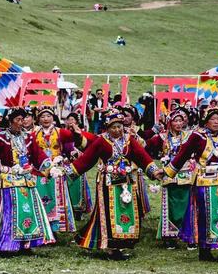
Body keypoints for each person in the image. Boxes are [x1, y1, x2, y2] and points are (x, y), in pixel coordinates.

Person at [156, 108, 218, 262]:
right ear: (206, 121)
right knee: (206, 216)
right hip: (204, 184)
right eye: (213, 119)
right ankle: (205, 252)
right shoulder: (197, 137)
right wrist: (166, 171)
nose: (216, 122)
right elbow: (182, 155)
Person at [66, 110, 158, 260]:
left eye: (119, 126)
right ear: (107, 128)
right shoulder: (102, 141)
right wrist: (68, 172)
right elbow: (87, 159)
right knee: (109, 214)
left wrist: (154, 171)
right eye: (113, 127)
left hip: (126, 183)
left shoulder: (129, 140)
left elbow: (142, 156)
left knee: (125, 212)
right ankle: (111, 247)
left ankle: (121, 244)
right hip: (107, 183)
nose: (117, 130)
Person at [0, 108, 56, 254]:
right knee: (9, 213)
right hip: (9, 180)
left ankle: (26, 244)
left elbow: (38, 155)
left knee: (29, 212)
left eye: (23, 119)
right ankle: (6, 244)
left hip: (27, 180)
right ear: (10, 121)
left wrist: (51, 168)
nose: (21, 123)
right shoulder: (0, 138)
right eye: (18, 120)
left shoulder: (27, 137)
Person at [145, 108, 195, 249]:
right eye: (175, 121)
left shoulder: (189, 136)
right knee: (171, 207)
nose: (179, 123)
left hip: (186, 176)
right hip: (169, 176)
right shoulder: (162, 138)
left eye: (181, 120)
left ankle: (188, 236)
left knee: (187, 206)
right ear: (170, 122)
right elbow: (144, 146)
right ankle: (170, 237)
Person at [32, 107, 85, 234]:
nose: (46, 119)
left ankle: (55, 228)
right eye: (43, 116)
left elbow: (71, 146)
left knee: (56, 198)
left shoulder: (61, 132)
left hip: (56, 171)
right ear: (38, 119)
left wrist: (70, 156)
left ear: (53, 118)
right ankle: (42, 226)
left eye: (48, 116)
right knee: (41, 198)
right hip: (40, 171)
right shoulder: (33, 133)